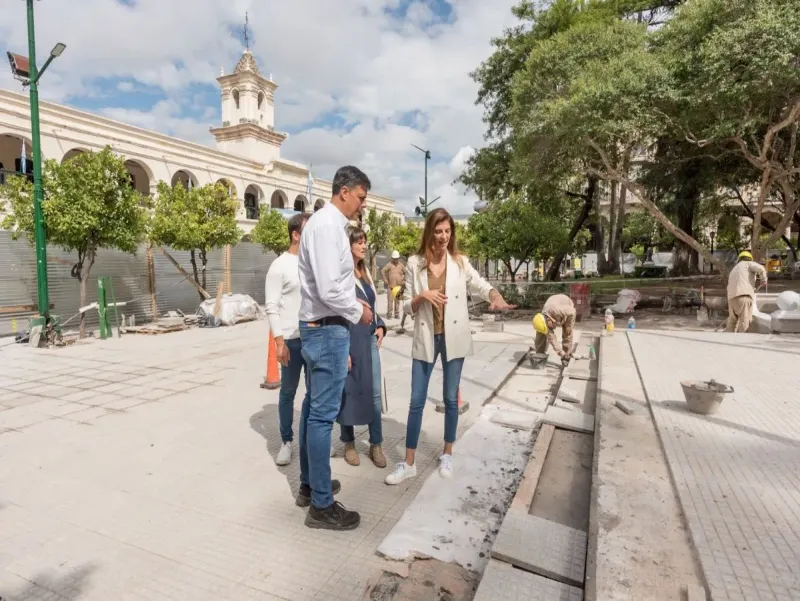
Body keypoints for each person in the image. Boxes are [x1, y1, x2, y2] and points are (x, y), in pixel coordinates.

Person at [385, 208, 514, 485]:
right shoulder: (415, 263)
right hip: (426, 336)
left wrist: (495, 295)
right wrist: (422, 296)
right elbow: (405, 304)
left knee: (450, 398)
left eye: (447, 231)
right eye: (438, 231)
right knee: (416, 400)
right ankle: (409, 463)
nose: (443, 236)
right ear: (429, 232)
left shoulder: (459, 262)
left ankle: (447, 453)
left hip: (453, 337)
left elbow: (480, 284)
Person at [297, 165, 374, 531]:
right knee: (321, 416)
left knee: (313, 410)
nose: (363, 204)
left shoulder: (324, 225)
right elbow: (330, 290)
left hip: (321, 327)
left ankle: (312, 485)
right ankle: (322, 505)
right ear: (344, 191)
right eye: (360, 197)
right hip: (327, 329)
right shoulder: (328, 226)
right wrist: (359, 312)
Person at [338, 226, 387, 468]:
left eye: (364, 241)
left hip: (368, 339)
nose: (364, 246)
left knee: (374, 393)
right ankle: (348, 443)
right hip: (349, 339)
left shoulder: (365, 271)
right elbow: (338, 310)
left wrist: (381, 325)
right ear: (348, 245)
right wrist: (342, 348)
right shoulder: (342, 274)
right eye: (359, 242)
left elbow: (372, 306)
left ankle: (376, 443)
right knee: (347, 392)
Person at [264, 213, 310, 466]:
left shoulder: (312, 263)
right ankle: (286, 441)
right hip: (290, 340)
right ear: (295, 235)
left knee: (314, 393)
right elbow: (271, 306)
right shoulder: (279, 266)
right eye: (308, 230)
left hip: (313, 338)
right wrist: (279, 342)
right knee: (288, 392)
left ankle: (311, 440)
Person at [726, 250, 767, 333]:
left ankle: (727, 337)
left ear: (739, 259)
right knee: (744, 320)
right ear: (749, 259)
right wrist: (763, 280)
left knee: (732, 321)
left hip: (731, 299)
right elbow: (761, 269)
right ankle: (742, 339)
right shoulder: (748, 264)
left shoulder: (734, 269)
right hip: (744, 296)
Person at [532, 294, 577, 358]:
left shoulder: (558, 310)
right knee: (541, 332)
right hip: (553, 307)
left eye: (549, 326)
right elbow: (552, 338)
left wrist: (569, 325)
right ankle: (540, 354)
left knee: (567, 332)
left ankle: (567, 354)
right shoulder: (542, 319)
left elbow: (572, 311)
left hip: (566, 307)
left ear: (549, 319)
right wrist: (561, 353)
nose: (550, 328)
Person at [382, 251, 405, 319]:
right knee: (390, 301)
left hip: (398, 286)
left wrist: (404, 280)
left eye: (396, 258)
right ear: (392, 258)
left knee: (397, 301)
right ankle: (389, 314)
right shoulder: (389, 265)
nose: (395, 260)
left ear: (398, 258)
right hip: (390, 286)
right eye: (394, 258)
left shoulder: (401, 265)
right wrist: (385, 280)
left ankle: (396, 314)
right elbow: (382, 271)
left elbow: (406, 272)